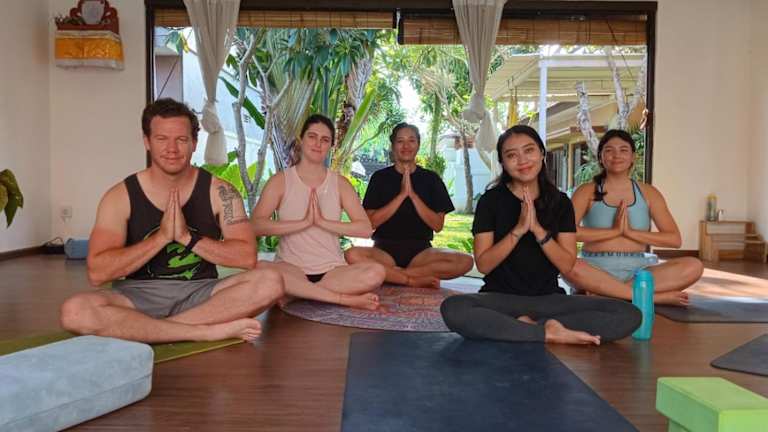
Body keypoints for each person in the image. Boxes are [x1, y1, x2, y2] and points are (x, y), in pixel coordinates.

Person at [59, 98, 283, 343]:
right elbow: (97, 273)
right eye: (161, 139)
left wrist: (187, 238)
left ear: (194, 143)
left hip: (202, 293)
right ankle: (203, 331)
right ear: (147, 141)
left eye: (181, 139)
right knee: (75, 311)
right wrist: (162, 238)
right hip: (136, 297)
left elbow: (246, 257)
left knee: (270, 281)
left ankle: (149, 330)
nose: (172, 149)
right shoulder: (119, 197)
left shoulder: (221, 193)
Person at [441, 125, 641, 344]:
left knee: (628, 314)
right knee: (454, 308)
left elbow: (567, 265)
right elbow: (484, 265)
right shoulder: (490, 201)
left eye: (529, 150)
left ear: (542, 153)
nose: (522, 160)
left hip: (549, 300)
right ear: (503, 163)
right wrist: (518, 230)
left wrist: (538, 230)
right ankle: (547, 331)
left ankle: (523, 327)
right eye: (511, 155)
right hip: (500, 299)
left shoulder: (560, 202)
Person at [251, 114, 385, 310]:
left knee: (376, 272)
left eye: (325, 140)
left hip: (332, 271)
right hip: (291, 268)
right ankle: (340, 298)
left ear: (330, 145)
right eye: (312, 136)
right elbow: (255, 225)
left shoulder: (340, 183)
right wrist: (303, 223)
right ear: (301, 140)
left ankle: (298, 293)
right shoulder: (280, 181)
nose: (318, 144)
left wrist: (322, 222)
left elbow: (365, 229)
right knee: (262, 267)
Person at [564, 129, 703, 306]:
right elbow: (566, 232)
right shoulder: (586, 191)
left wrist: (630, 232)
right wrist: (614, 231)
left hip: (638, 271)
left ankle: (608, 293)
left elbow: (674, 239)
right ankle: (645, 296)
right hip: (594, 268)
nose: (616, 155)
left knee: (693, 266)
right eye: (609, 150)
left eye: (623, 150)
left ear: (633, 157)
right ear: (600, 157)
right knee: (568, 265)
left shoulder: (649, 193)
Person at [345, 123, 473, 288]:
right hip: (383, 251)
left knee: (465, 261)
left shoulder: (431, 179)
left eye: (411, 140)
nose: (406, 146)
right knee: (352, 254)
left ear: (418, 145)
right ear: (393, 146)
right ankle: (412, 278)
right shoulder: (380, 178)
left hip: (422, 253)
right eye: (400, 141)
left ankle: (394, 275)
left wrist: (412, 195)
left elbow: (437, 225)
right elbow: (371, 223)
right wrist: (401, 195)